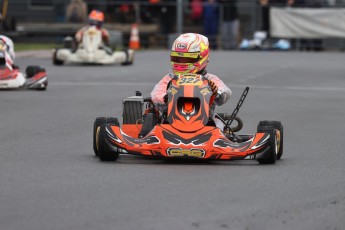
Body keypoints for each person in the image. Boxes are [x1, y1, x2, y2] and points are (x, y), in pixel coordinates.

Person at [139, 33, 231, 137]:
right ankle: (145, 138)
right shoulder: (170, 78)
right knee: (152, 116)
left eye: (188, 59)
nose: (182, 62)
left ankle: (219, 140)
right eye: (178, 59)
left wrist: (217, 92)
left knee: (219, 123)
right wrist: (165, 98)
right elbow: (156, 94)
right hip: (170, 124)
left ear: (202, 58)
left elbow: (225, 93)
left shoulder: (210, 79)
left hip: (206, 125)